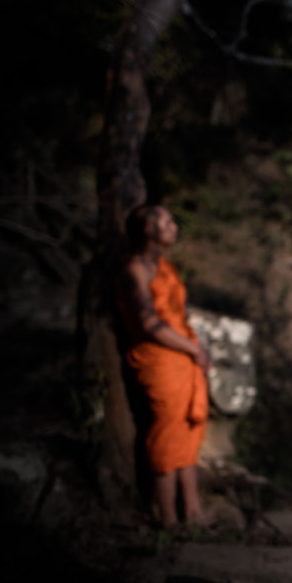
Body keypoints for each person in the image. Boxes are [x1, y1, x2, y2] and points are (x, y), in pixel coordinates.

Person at [115, 204, 212, 530]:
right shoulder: (135, 269)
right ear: (147, 230)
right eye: (166, 222)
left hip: (183, 355)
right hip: (159, 358)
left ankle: (194, 512)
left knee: (188, 431)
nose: (173, 226)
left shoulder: (164, 266)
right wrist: (193, 349)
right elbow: (149, 324)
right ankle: (168, 518)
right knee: (168, 432)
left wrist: (194, 350)